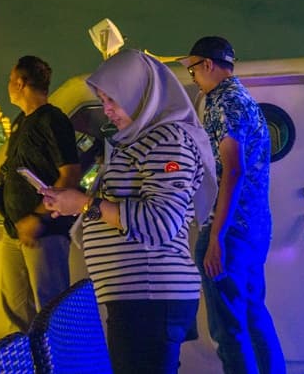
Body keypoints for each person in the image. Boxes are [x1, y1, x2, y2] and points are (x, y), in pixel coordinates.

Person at [43, 49, 218, 374]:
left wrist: (84, 204)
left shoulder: (167, 140)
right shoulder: (142, 139)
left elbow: (160, 222)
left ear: (140, 95)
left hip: (150, 298)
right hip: (140, 298)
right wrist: (73, 202)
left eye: (113, 99)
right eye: (102, 99)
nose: (106, 110)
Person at [180, 37, 285, 374]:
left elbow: (233, 168)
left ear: (208, 64)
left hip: (231, 230)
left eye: (193, 68)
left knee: (229, 330)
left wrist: (216, 238)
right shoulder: (246, 100)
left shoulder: (223, 102)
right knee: (254, 315)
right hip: (254, 226)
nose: (193, 76)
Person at [0, 56, 81, 333]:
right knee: (16, 307)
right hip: (14, 229)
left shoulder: (52, 120)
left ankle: (57, 362)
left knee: (50, 309)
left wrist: (38, 217)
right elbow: (9, 167)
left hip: (42, 231)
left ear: (20, 83)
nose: (8, 85)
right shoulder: (22, 121)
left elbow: (69, 174)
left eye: (10, 80)